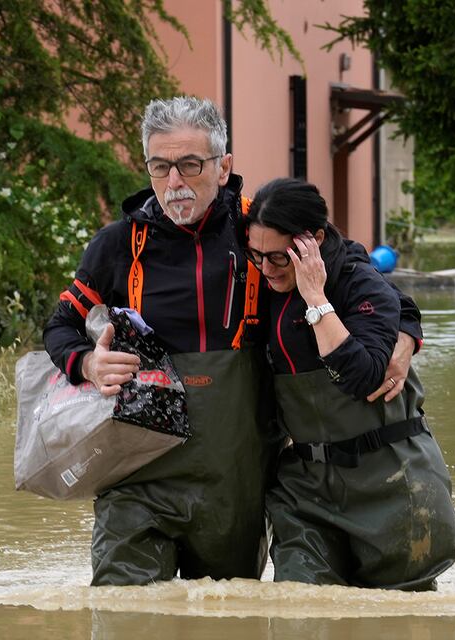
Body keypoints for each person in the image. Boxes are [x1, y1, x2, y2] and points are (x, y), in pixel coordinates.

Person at [43, 96, 422, 586]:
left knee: (227, 615)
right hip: (136, 475)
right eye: (160, 168)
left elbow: (368, 283)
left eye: (190, 165)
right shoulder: (118, 246)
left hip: (237, 482)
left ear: (224, 167)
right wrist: (87, 366)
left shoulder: (260, 231)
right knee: (123, 611)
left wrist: (407, 334)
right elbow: (59, 327)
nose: (174, 183)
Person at [244, 178, 455, 591]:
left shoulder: (359, 283)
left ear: (315, 241)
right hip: (307, 488)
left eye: (278, 258)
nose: (265, 270)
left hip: (392, 483)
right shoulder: (264, 280)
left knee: (399, 617)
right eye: (257, 255)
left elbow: (362, 379)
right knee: (299, 606)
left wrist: (315, 299)